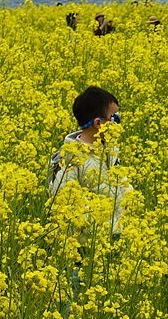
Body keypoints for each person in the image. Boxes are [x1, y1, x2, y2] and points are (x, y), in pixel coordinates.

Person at [48, 86, 133, 236]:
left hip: (116, 233)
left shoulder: (109, 151)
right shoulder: (69, 158)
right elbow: (63, 199)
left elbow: (122, 183)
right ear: (98, 123)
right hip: (86, 242)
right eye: (115, 118)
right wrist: (96, 221)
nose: (118, 125)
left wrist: (131, 201)